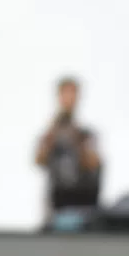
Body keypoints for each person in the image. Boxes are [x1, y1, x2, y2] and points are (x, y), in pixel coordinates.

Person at [34, 77, 102, 230]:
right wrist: (53, 131)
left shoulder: (86, 134)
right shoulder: (50, 133)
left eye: (72, 94)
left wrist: (77, 140)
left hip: (83, 207)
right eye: (65, 94)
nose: (69, 98)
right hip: (55, 207)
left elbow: (93, 163)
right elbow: (39, 160)